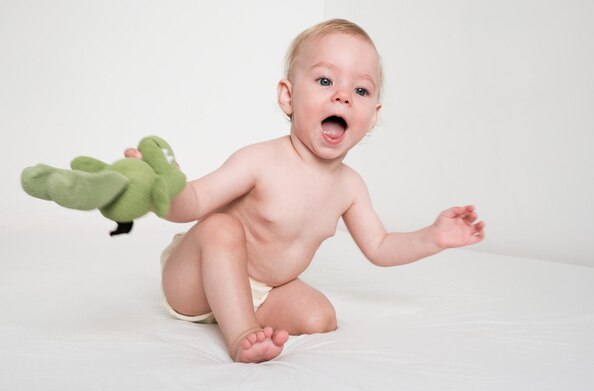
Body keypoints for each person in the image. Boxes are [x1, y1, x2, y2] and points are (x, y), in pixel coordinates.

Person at [126, 18, 485, 363]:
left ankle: (240, 312)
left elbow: (380, 247)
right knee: (221, 226)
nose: (343, 96)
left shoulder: (350, 187)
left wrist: (434, 237)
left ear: (372, 116)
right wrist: (161, 187)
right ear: (288, 96)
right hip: (196, 281)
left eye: (360, 90)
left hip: (263, 291)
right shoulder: (260, 160)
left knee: (320, 317)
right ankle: (240, 336)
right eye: (325, 81)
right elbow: (195, 202)